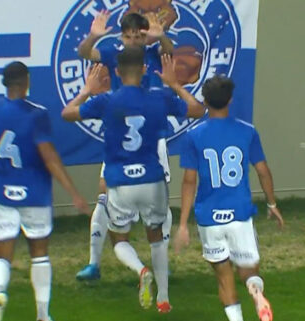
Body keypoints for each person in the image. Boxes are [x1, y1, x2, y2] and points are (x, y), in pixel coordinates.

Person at [62, 47, 205, 313]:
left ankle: (141, 271)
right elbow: (198, 110)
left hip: (120, 181)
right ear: (144, 70)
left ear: (116, 71)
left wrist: (85, 91)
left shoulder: (106, 101)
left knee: (120, 239)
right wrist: (175, 84)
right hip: (152, 178)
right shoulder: (160, 97)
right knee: (156, 238)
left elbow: (67, 114)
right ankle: (163, 298)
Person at [0, 61, 90, 321]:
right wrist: (73, 191)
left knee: (1, 256)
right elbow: (49, 156)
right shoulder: (36, 113)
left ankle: (0, 292)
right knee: (39, 254)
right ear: (26, 81)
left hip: (1, 193)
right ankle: (42, 314)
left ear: (5, 83)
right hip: (34, 193)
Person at [75, 11, 176, 281]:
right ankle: (93, 263)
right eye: (128, 36)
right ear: (121, 36)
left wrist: (162, 35)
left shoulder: (153, 53)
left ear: (145, 35)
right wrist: (94, 36)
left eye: (138, 36)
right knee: (103, 196)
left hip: (153, 139)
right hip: (120, 138)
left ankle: (159, 264)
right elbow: (86, 52)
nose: (133, 41)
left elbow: (170, 50)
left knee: (160, 202)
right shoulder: (114, 53)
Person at [174, 76, 285, 321]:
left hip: (209, 218)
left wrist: (182, 224)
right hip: (240, 214)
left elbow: (189, 181)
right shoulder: (247, 131)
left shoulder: (194, 136)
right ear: (230, 100)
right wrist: (272, 203)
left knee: (223, 277)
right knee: (249, 271)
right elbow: (263, 170)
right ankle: (256, 294)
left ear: (204, 100)